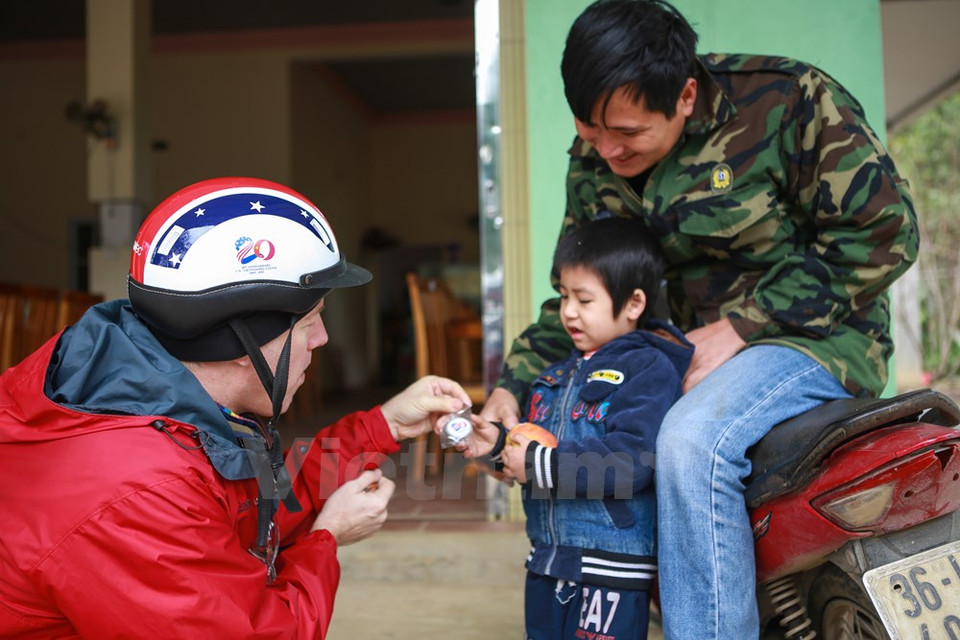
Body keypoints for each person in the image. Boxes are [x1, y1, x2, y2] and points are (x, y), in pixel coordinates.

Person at [479, 1, 920, 638]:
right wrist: (511, 386)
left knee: (690, 444)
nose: (605, 148)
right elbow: (593, 293)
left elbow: (885, 234)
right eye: (589, 126)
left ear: (685, 96)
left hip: (816, 341)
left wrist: (744, 325)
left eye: (626, 133)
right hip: (682, 358)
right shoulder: (596, 158)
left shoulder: (788, 102)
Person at [0, 177, 473, 638]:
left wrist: (382, 425)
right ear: (238, 338)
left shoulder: (177, 407)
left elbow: (259, 507)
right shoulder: (137, 491)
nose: (323, 339)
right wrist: (324, 539)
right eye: (310, 322)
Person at [463, 217, 693, 639]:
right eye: (564, 296)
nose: (568, 311)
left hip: (609, 572)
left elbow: (630, 461)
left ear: (634, 304)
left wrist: (539, 465)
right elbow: (537, 444)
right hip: (548, 561)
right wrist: (496, 445)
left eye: (584, 300)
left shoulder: (647, 370)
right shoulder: (557, 373)